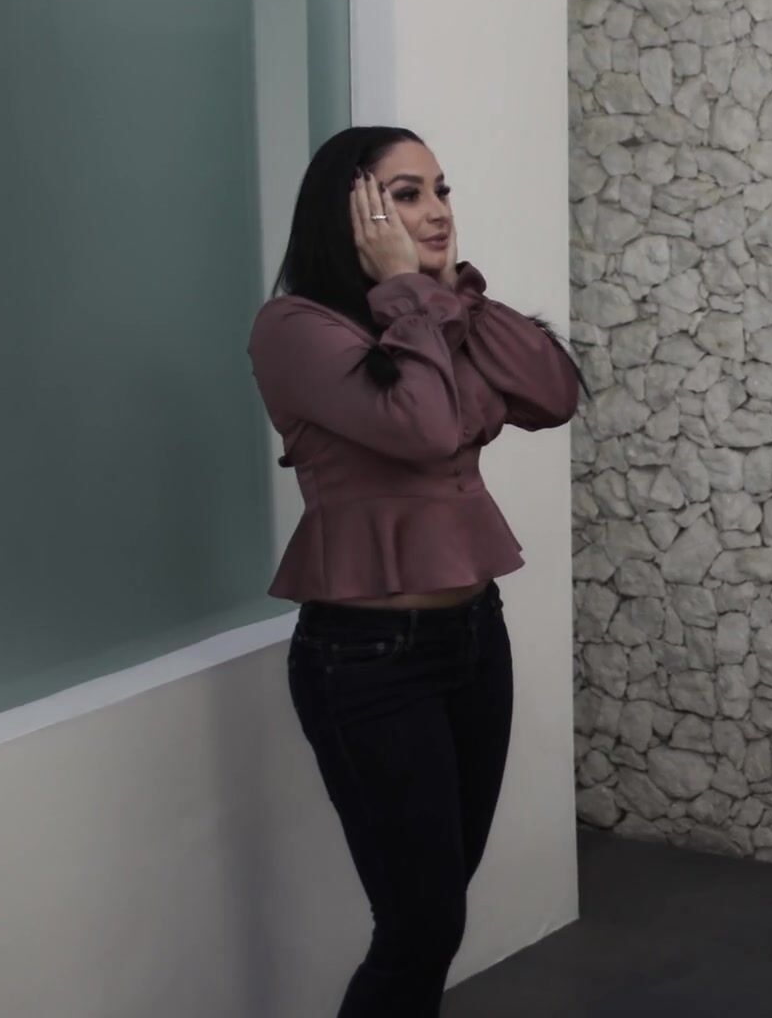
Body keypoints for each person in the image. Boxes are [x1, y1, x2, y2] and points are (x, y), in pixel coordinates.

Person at [248, 126, 582, 1017]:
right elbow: (426, 430)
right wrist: (410, 294)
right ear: (350, 214)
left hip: (473, 635)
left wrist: (447, 289)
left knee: (439, 912)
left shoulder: (428, 317)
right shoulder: (295, 328)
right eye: (404, 195)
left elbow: (552, 394)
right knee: (418, 926)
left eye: (441, 190)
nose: (435, 212)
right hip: (366, 657)